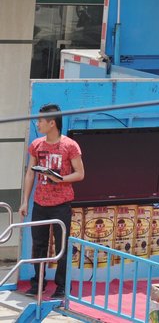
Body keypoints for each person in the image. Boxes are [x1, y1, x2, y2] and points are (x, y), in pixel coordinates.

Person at [19, 104, 84, 299]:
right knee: (38, 245)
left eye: (40, 120)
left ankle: (62, 286)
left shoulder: (70, 145)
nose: (37, 124)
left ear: (52, 123)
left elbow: (80, 174)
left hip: (61, 205)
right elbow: (30, 173)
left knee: (62, 246)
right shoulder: (37, 145)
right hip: (40, 204)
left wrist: (60, 179)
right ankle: (38, 282)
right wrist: (25, 201)